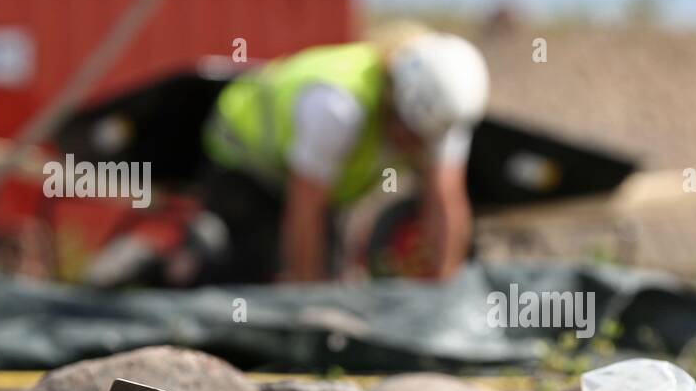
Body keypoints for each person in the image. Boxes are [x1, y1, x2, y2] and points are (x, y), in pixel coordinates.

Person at [172, 31, 489, 285]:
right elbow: (305, 207)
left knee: (331, 277)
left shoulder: (444, 114)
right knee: (255, 273)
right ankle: (179, 271)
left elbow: (444, 201)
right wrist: (310, 304)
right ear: (394, 99)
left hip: (312, 180)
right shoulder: (337, 105)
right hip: (242, 161)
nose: (414, 147)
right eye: (410, 133)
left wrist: (442, 298)